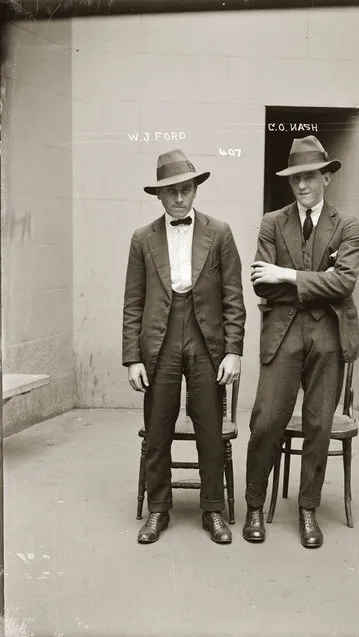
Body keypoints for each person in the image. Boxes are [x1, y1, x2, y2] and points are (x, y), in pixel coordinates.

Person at [122, 149, 246, 545]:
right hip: (159, 339)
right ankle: (159, 509)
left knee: (209, 425)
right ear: (159, 196)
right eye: (171, 191)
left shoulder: (220, 233)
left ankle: (213, 510)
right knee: (158, 428)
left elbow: (233, 297)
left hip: (205, 337)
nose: (179, 198)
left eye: (186, 190)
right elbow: (133, 302)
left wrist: (233, 350)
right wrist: (132, 358)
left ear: (195, 191)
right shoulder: (142, 238)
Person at [243, 135, 359, 548]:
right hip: (283, 333)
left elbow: (345, 281)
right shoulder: (272, 222)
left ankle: (308, 509)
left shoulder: (346, 225)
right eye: (296, 179)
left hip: (328, 337)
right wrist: (317, 283)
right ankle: (255, 504)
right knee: (266, 421)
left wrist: (288, 274)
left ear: (325, 178)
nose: (303, 186)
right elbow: (263, 286)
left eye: (310, 177)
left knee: (318, 425)